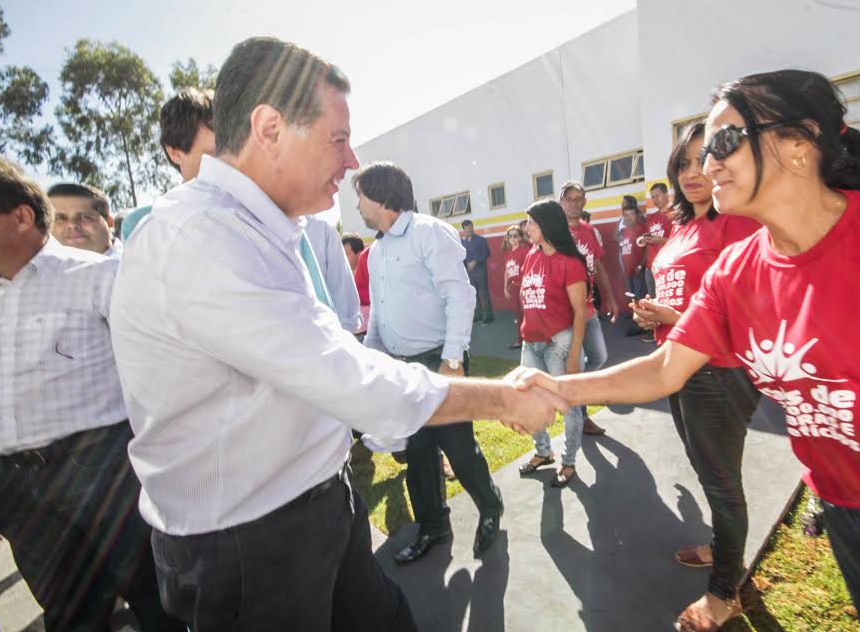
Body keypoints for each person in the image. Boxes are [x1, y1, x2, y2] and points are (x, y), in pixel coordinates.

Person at [109, 37, 563, 631]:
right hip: (252, 544)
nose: (351, 163)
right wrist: (502, 396)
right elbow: (341, 375)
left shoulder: (256, 227)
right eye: (339, 138)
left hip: (314, 502)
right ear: (269, 127)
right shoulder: (201, 238)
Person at [513, 69, 860, 632]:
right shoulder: (738, 271)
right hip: (845, 513)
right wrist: (554, 389)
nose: (708, 164)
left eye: (723, 142)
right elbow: (666, 367)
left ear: (797, 142)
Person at [0, 157, 183, 632]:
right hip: (18, 490)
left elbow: (165, 374)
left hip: (105, 473)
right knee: (71, 619)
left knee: (159, 603)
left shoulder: (99, 277)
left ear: (20, 216)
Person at [631, 122, 761, 628]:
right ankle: (723, 546)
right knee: (709, 471)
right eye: (681, 164)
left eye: (700, 160)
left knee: (723, 480)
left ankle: (726, 590)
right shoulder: (681, 229)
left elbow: (746, 316)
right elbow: (683, 301)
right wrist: (653, 315)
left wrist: (671, 318)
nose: (691, 173)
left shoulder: (740, 225)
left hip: (720, 372)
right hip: (678, 367)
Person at [356, 161, 504, 563]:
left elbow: (461, 296)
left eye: (361, 196)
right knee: (418, 453)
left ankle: (490, 506)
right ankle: (434, 527)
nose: (357, 206)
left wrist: (452, 361)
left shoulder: (428, 232)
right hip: (403, 368)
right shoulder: (377, 252)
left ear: (382, 196)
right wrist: (371, 360)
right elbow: (381, 317)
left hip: (441, 361)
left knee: (457, 446)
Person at [515, 199, 588, 487]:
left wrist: (574, 355)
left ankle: (568, 462)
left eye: (531, 222)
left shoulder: (570, 263)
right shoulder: (531, 255)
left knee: (567, 405)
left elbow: (581, 311)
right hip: (530, 342)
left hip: (559, 343)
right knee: (527, 401)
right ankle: (543, 453)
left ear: (546, 225)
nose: (526, 227)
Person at [121, 87, 216, 240]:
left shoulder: (258, 213)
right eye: (215, 155)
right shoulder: (139, 227)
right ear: (175, 153)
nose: (231, 164)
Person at [560, 181, 616, 436]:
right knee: (577, 365)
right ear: (561, 202)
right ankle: (580, 416)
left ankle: (573, 394)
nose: (573, 203)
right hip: (565, 312)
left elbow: (599, 266)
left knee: (599, 357)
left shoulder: (590, 232)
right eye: (569, 199)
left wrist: (611, 297)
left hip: (588, 308)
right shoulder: (555, 232)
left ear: (584, 202)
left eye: (578, 198)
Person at [47, 182, 121, 256]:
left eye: (85, 217)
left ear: (109, 222)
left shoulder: (130, 264)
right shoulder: (40, 265)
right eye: (59, 218)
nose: (71, 225)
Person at [619, 197, 648, 336]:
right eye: (625, 215)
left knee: (640, 297)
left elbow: (648, 249)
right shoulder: (624, 230)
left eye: (631, 214)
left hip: (638, 270)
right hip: (628, 272)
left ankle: (643, 326)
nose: (628, 218)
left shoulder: (642, 227)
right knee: (633, 297)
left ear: (636, 214)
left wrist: (641, 266)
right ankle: (638, 322)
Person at [639, 182, 672, 298]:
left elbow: (679, 241)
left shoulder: (675, 215)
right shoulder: (652, 217)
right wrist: (645, 240)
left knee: (667, 301)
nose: (655, 199)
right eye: (652, 197)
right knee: (654, 301)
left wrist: (659, 240)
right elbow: (650, 240)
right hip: (650, 267)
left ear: (666, 195)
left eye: (657, 195)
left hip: (668, 266)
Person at [502, 224, 531, 349]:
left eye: (515, 236)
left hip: (523, 286)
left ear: (520, 238)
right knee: (518, 315)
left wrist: (524, 287)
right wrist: (505, 287)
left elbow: (529, 269)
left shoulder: (525, 251)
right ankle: (520, 340)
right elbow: (507, 271)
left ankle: (530, 339)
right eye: (510, 236)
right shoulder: (508, 254)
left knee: (528, 314)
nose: (512, 238)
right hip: (513, 287)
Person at [461, 218, 494, 324]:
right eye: (467, 228)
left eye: (471, 227)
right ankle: (478, 315)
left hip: (480, 270)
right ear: (464, 230)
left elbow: (487, 253)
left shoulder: (481, 240)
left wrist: (476, 261)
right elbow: (463, 257)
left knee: (483, 292)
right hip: (469, 273)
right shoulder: (463, 242)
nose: (470, 230)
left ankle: (489, 316)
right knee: (473, 293)